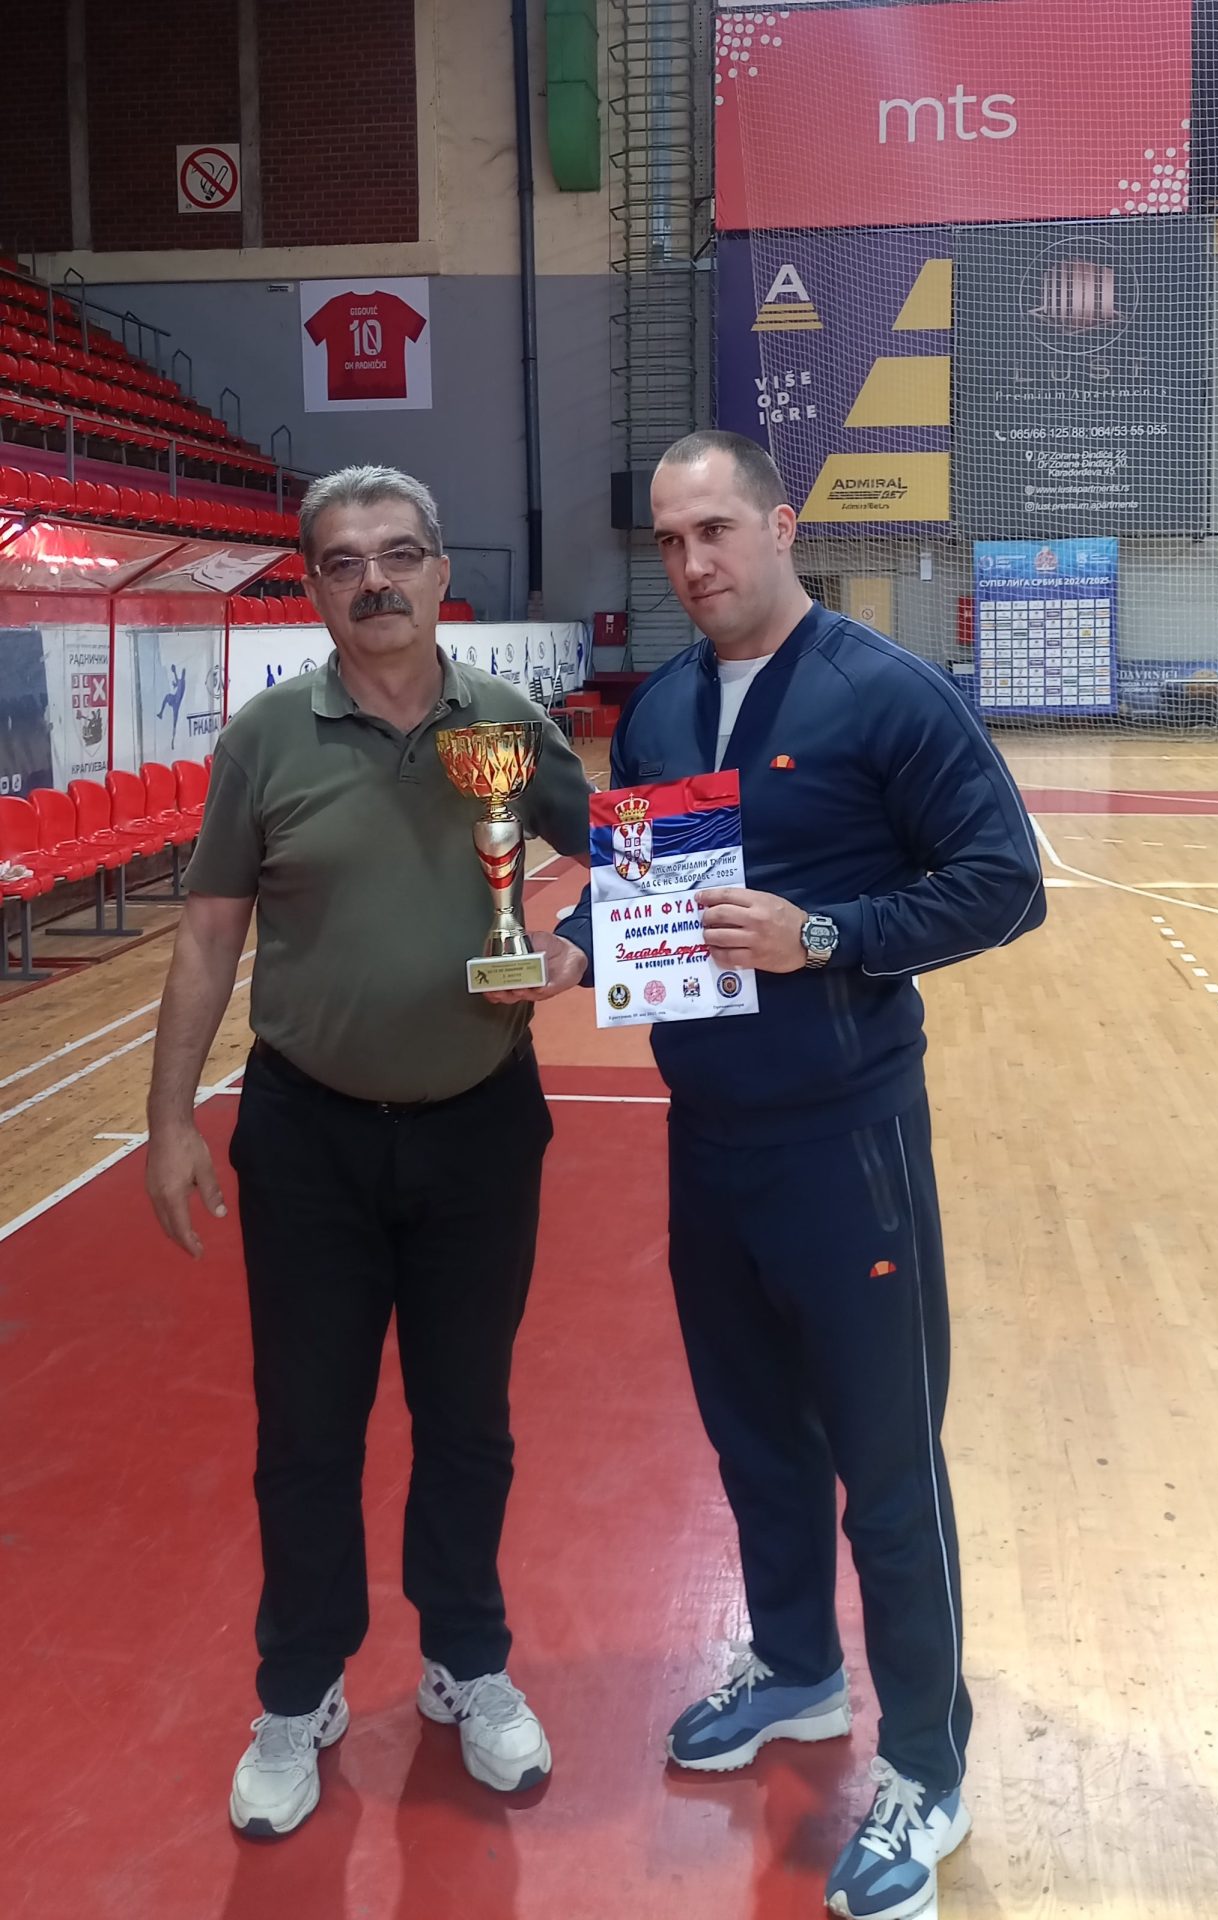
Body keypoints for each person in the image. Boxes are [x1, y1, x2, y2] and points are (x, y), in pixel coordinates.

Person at [497, 430, 1046, 1918]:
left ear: (781, 524)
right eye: (670, 540)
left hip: (845, 1141)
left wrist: (827, 935)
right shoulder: (664, 710)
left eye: (717, 531)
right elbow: (641, 898)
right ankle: (799, 1666)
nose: (692, 564)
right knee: (753, 1440)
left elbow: (1004, 884)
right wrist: (565, 954)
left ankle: (925, 1765)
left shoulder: (887, 692)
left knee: (887, 1467)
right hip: (709, 1136)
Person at [145, 464, 591, 1838]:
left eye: (399, 554)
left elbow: (633, 856)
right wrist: (168, 1119)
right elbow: (209, 933)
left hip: (480, 1128)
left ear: (442, 570)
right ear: (315, 586)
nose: (375, 580)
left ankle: (467, 1661)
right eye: (343, 562)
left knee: (468, 1422)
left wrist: (573, 953)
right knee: (305, 1432)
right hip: (309, 1136)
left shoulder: (511, 724)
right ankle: (298, 1692)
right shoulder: (266, 738)